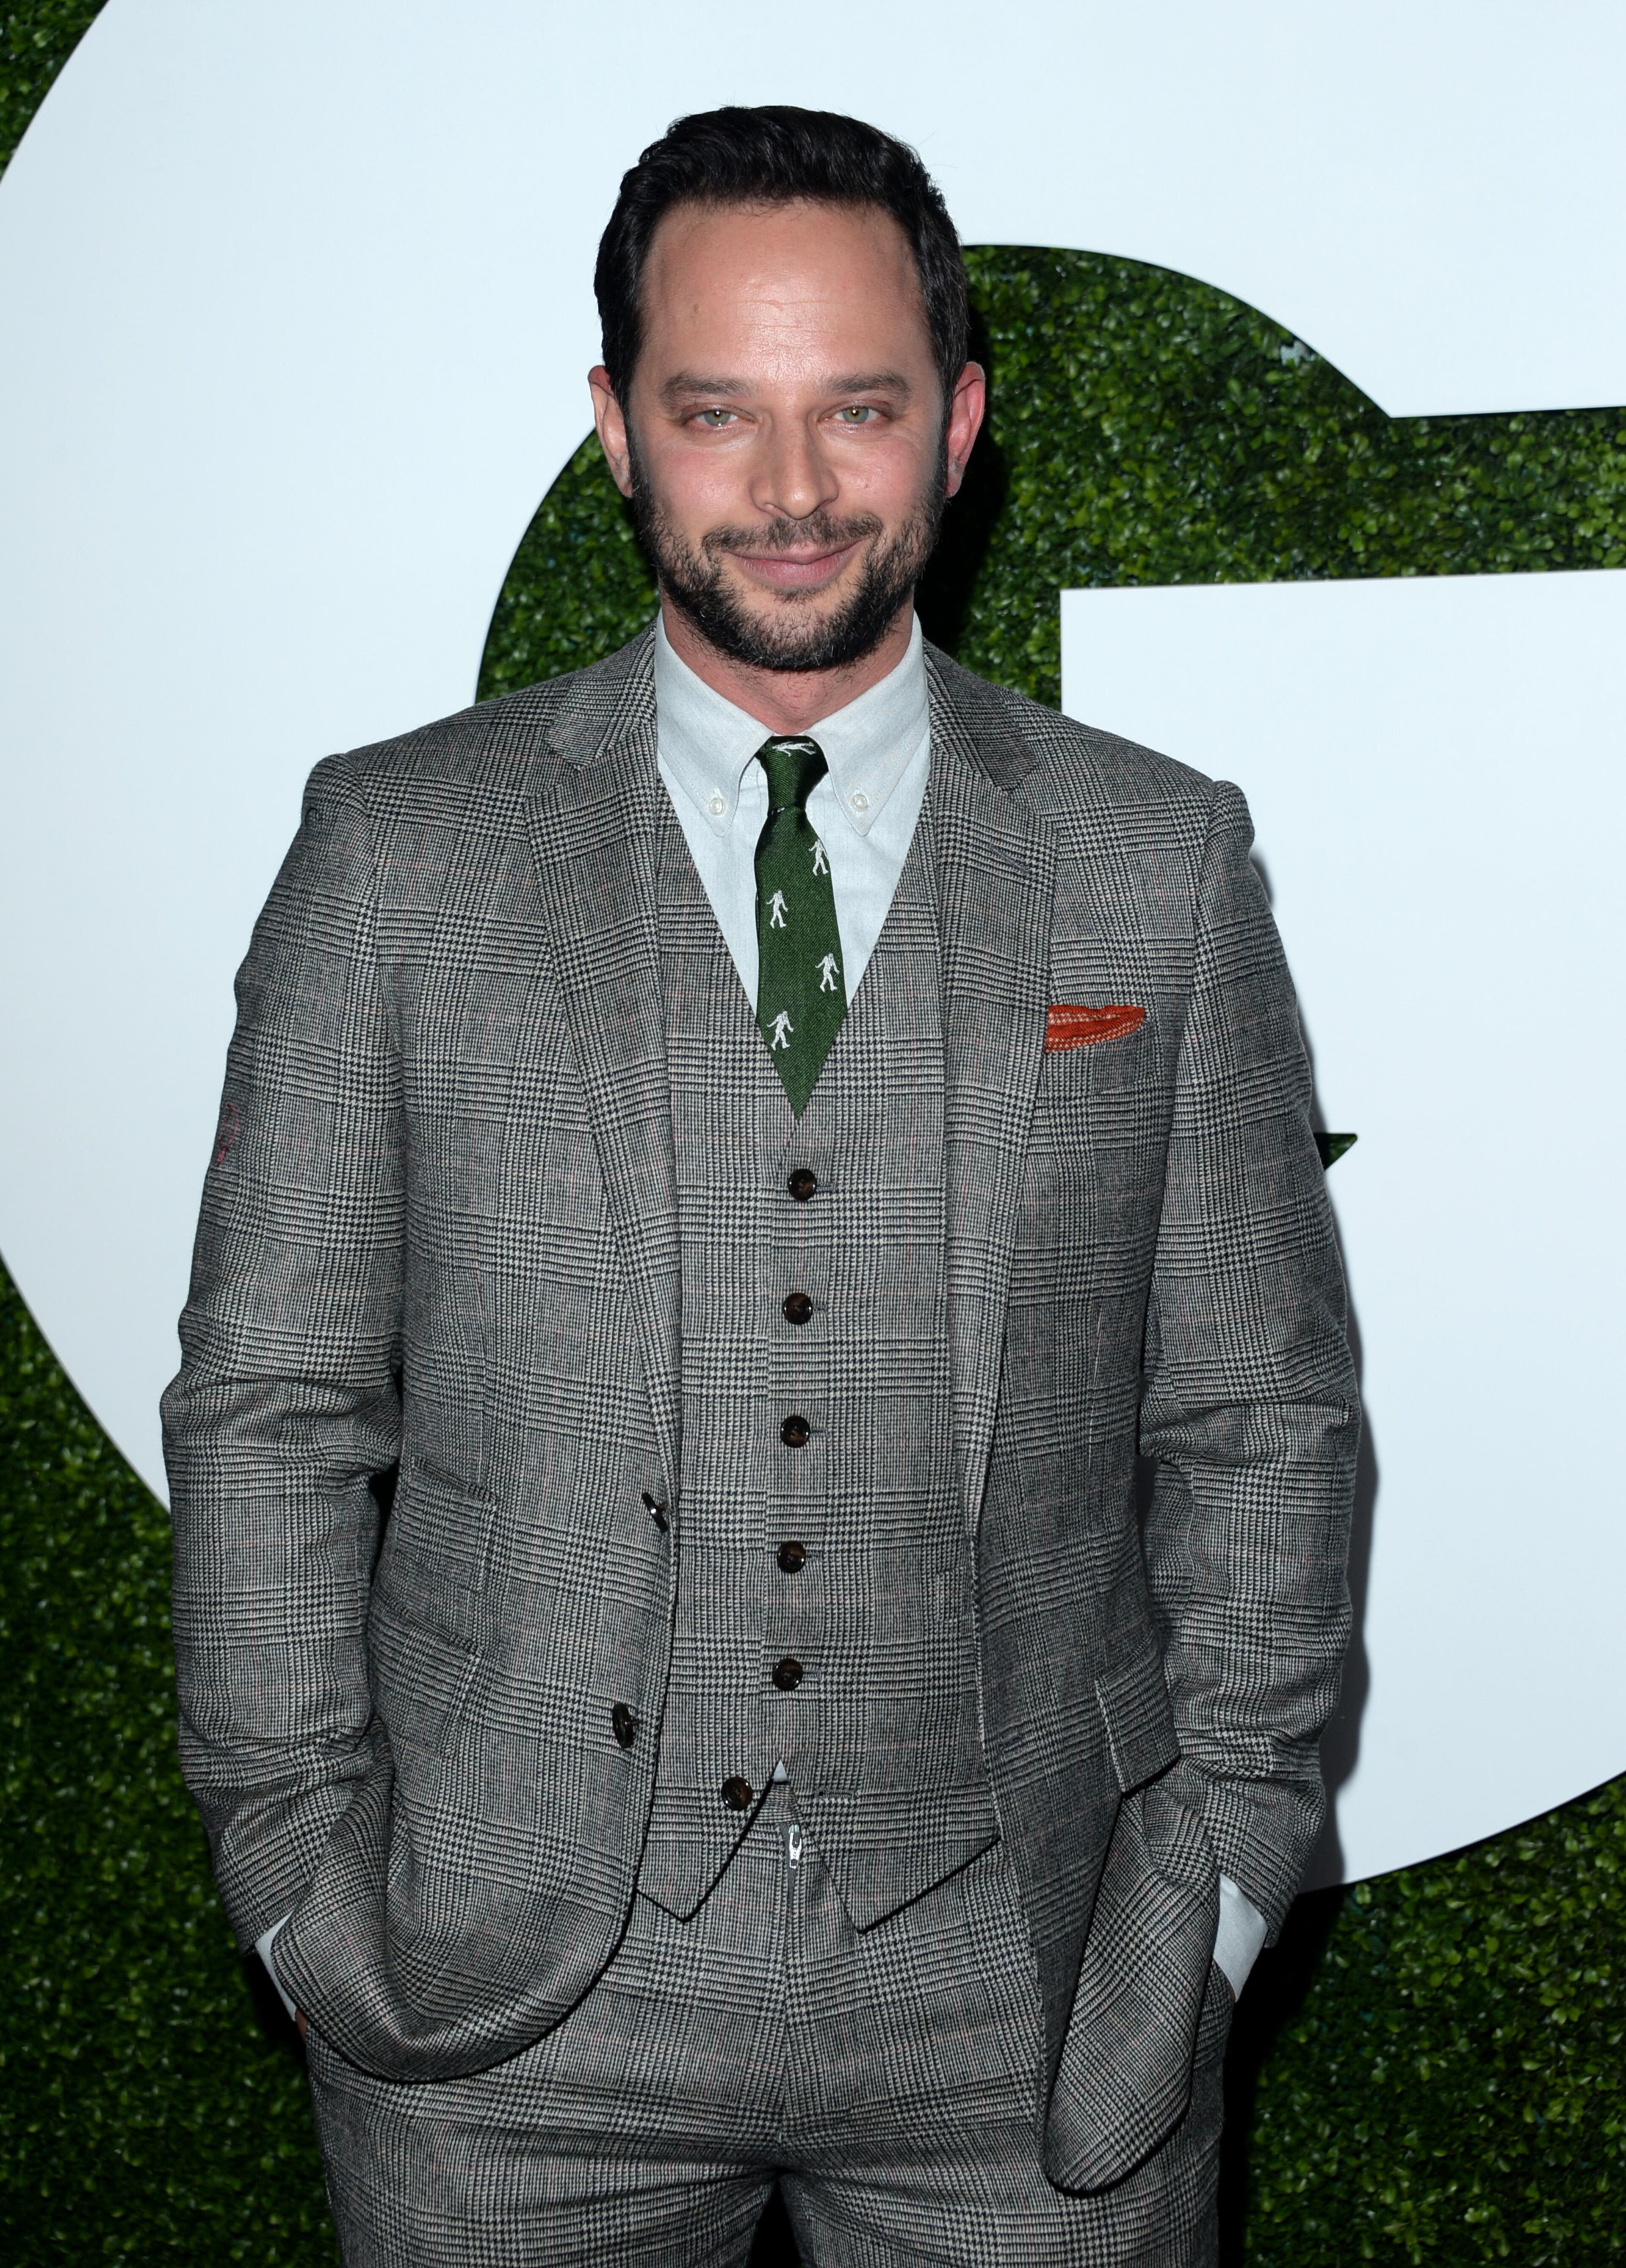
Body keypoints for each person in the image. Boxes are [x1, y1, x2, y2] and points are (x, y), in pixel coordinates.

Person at [163, 105, 1358, 2267]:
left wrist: (1218, 1892)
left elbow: (1260, 1417)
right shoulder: (396, 855)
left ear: (961, 424)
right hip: (503, 2014)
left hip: (1038, 1995)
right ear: (617, 426)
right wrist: (295, 1868)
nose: (794, 494)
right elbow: (271, 1400)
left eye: (859, 411)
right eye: (718, 411)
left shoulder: (1157, 858)